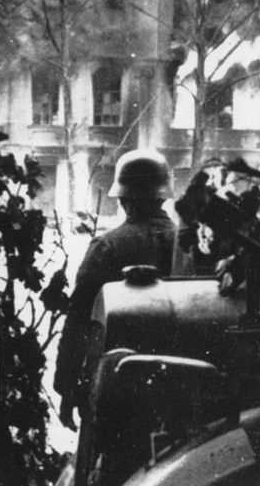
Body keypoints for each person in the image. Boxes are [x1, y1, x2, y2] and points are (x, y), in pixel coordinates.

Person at [54, 149, 177, 429]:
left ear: (123, 198)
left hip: (114, 385)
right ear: (163, 196)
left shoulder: (107, 246)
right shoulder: (187, 243)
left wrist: (67, 386)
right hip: (175, 386)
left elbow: (79, 319)